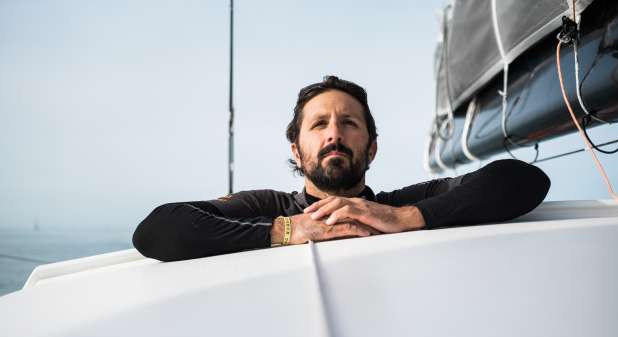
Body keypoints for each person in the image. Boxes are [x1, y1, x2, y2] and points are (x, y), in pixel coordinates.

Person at [132, 76, 550, 262]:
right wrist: (289, 230)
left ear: (371, 149)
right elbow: (157, 229)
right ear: (297, 151)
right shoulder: (266, 206)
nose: (334, 134)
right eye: (319, 124)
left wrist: (404, 217)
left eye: (349, 123)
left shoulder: (398, 208)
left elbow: (522, 180)